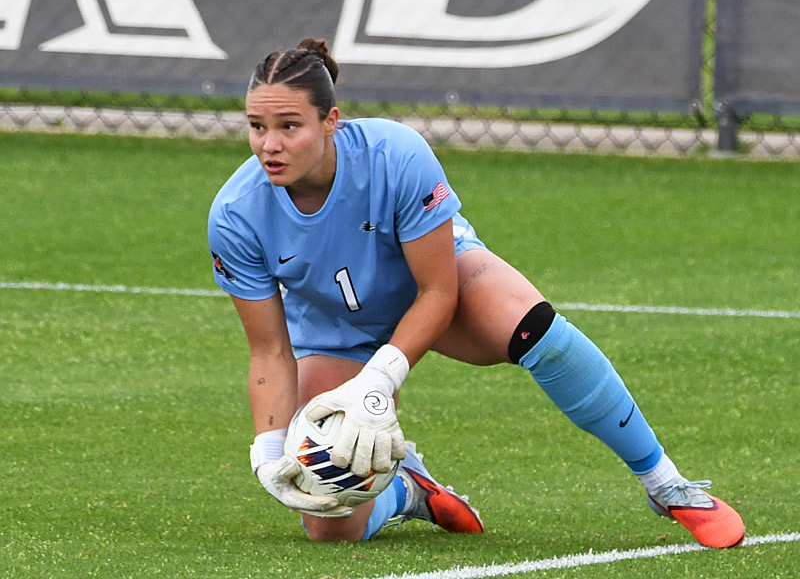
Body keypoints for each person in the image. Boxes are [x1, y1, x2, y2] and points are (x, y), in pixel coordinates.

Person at [207, 37, 745, 547]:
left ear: (331, 122)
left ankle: (666, 484)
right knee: (327, 521)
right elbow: (271, 351)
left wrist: (378, 382)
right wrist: (268, 455)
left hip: (435, 287)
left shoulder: (396, 154)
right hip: (334, 329)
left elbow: (438, 292)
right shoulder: (235, 215)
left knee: (536, 329)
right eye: (256, 126)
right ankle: (406, 490)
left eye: (289, 125)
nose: (269, 145)